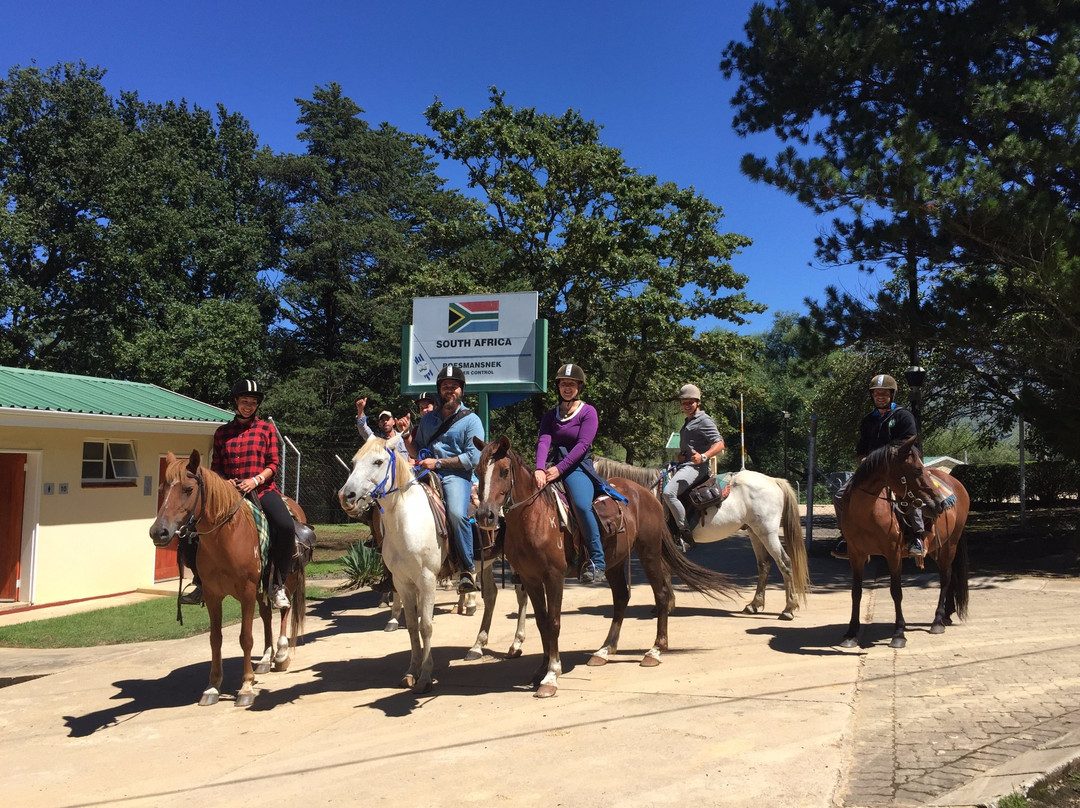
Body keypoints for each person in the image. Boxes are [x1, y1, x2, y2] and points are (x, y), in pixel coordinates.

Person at [182, 379, 295, 609]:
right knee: (189, 531)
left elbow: (273, 464)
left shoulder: (266, 430)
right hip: (228, 494)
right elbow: (217, 467)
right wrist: (226, 480)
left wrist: (255, 480)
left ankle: (278, 585)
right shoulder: (222, 433)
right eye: (244, 401)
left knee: (286, 527)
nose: (248, 406)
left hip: (261, 491)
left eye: (253, 402)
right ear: (236, 402)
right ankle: (200, 582)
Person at [405, 365, 484, 594]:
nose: (450, 390)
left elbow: (472, 458)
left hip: (455, 475)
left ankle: (468, 570)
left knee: (457, 514)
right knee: (392, 500)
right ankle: (393, 566)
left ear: (462, 390)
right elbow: (415, 450)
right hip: (423, 472)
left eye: (454, 387)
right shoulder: (428, 420)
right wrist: (405, 434)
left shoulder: (472, 421)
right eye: (445, 387)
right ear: (439, 390)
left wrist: (438, 463)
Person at [832, 373, 923, 559]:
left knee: (910, 494)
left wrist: (884, 459)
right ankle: (846, 536)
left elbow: (907, 444)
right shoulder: (868, 421)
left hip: (897, 468)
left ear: (892, 394)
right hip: (870, 471)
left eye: (884, 393)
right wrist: (863, 458)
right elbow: (862, 446)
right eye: (876, 394)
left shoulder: (904, 416)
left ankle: (917, 537)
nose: (879, 397)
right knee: (840, 496)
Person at [534, 363, 607, 584]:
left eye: (571, 384)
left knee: (582, 505)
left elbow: (583, 445)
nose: (567, 388)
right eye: (564, 384)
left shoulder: (588, 412)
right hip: (552, 465)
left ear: (579, 387)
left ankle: (597, 560)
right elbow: (544, 440)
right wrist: (539, 468)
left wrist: (559, 469)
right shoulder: (550, 415)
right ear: (558, 386)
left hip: (577, 467)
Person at [662, 384, 725, 551]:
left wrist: (703, 456)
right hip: (686, 464)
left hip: (697, 468)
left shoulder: (704, 420)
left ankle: (685, 534)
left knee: (668, 493)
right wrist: (683, 455)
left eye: (690, 402)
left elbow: (719, 444)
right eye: (684, 402)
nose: (687, 405)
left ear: (698, 403)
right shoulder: (689, 421)